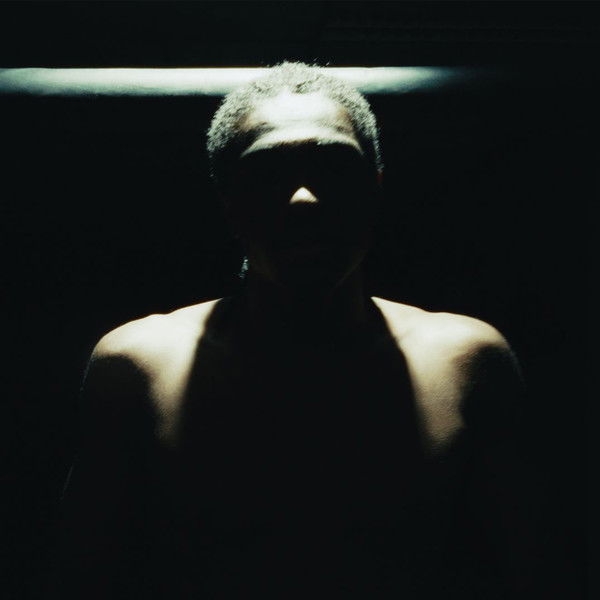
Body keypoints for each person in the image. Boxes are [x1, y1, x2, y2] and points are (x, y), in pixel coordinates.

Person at [52, 62, 536, 599]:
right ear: (229, 201)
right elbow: (81, 576)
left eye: (334, 167)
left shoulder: (467, 361)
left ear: (374, 187)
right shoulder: (136, 367)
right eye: (267, 173)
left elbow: (536, 571)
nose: (304, 198)